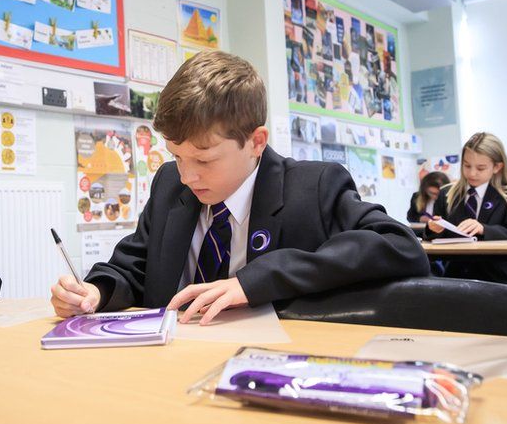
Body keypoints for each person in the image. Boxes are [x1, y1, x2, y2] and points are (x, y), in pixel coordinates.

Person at [50, 51, 430, 324]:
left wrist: (252, 282)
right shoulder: (170, 183)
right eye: (177, 156)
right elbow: (135, 267)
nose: (187, 176)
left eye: (204, 159)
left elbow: (399, 246)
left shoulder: (313, 186)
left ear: (256, 142)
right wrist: (96, 292)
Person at [426, 132, 507, 288]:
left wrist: (484, 229)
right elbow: (436, 237)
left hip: (500, 276)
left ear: (497, 167)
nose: (471, 173)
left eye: (480, 168)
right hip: (458, 277)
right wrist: (433, 229)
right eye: (467, 165)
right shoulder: (446, 194)